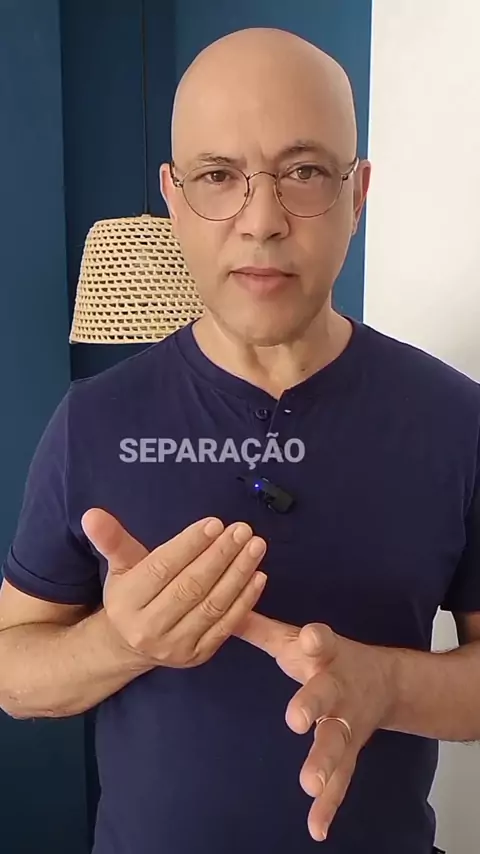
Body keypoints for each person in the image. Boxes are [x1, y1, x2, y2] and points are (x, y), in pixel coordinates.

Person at [0, 25, 478, 854]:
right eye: (219, 175)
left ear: (359, 194)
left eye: (304, 173)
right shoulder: (93, 422)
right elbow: (13, 673)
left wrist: (389, 685)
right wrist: (122, 642)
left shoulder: (456, 420)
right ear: (174, 196)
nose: (261, 221)